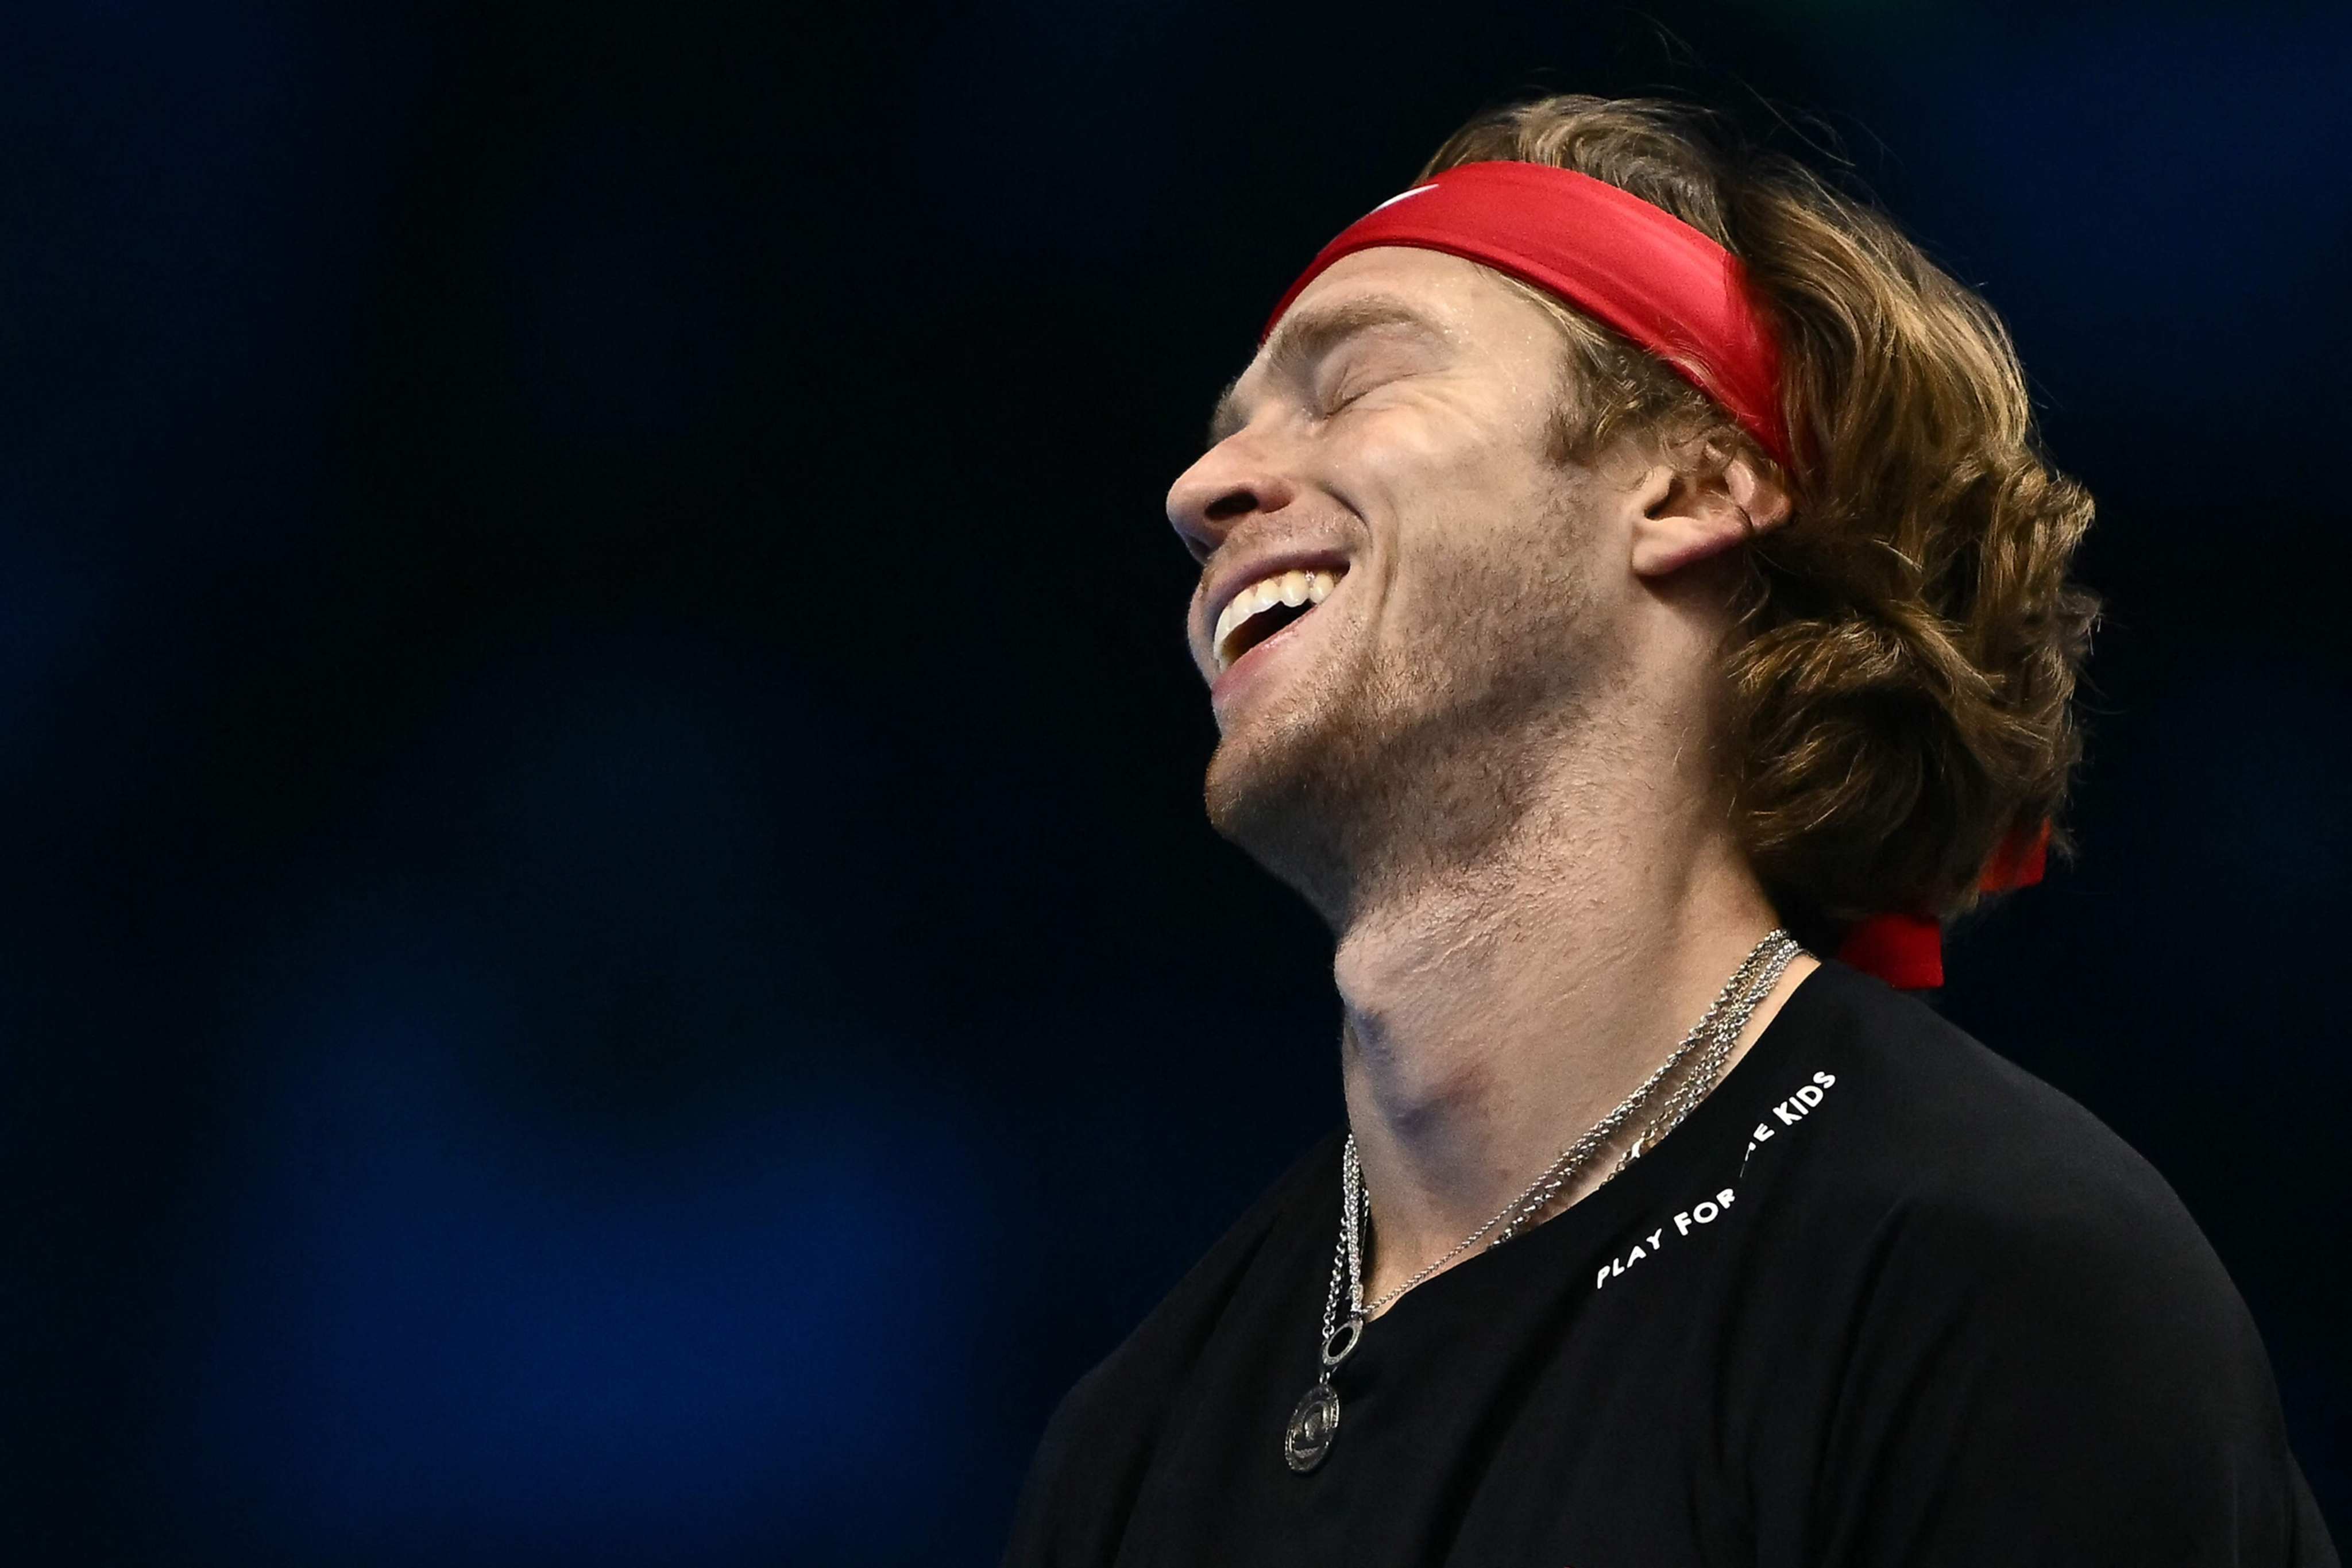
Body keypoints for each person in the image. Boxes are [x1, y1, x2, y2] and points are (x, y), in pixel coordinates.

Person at [1001, 94, 2339, 1566]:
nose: (1199, 494)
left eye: (1354, 384)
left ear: (1694, 481)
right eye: (1225, 434)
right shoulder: (1132, 1447)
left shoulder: (1982, 1270)